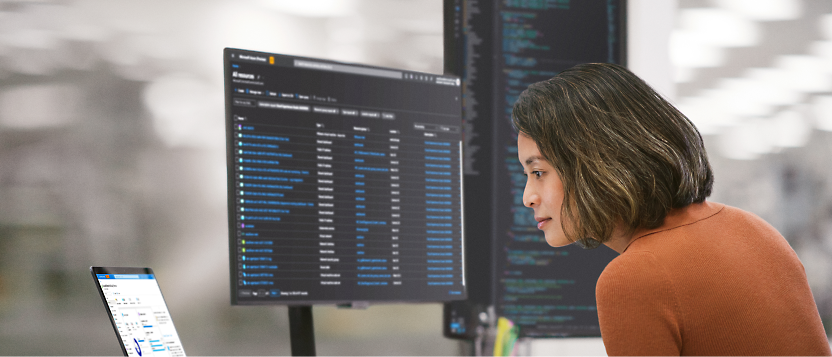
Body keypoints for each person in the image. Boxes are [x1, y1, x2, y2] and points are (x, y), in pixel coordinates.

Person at [512, 62, 832, 356]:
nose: (528, 197)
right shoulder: (753, 229)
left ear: (596, 163)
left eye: (538, 172)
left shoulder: (635, 277)